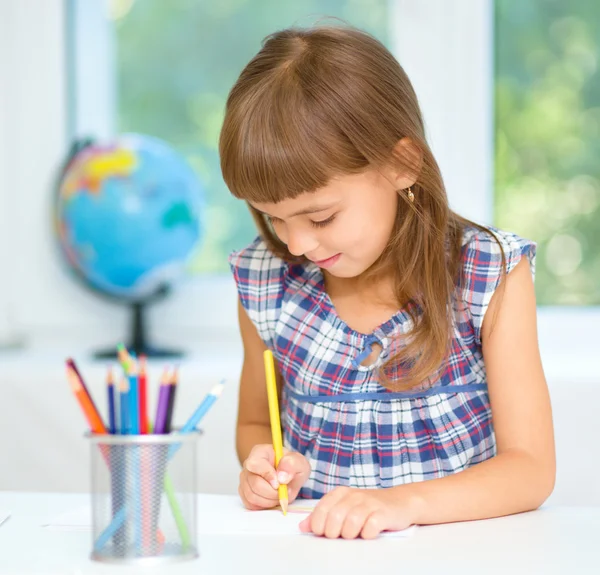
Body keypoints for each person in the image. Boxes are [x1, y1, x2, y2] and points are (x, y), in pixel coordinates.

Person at [219, 24, 555, 539]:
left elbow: (530, 470)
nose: (296, 246)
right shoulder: (267, 285)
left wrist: (401, 504)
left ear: (402, 164)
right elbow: (256, 426)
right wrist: (268, 468)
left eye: (322, 216)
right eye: (274, 217)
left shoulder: (490, 275)